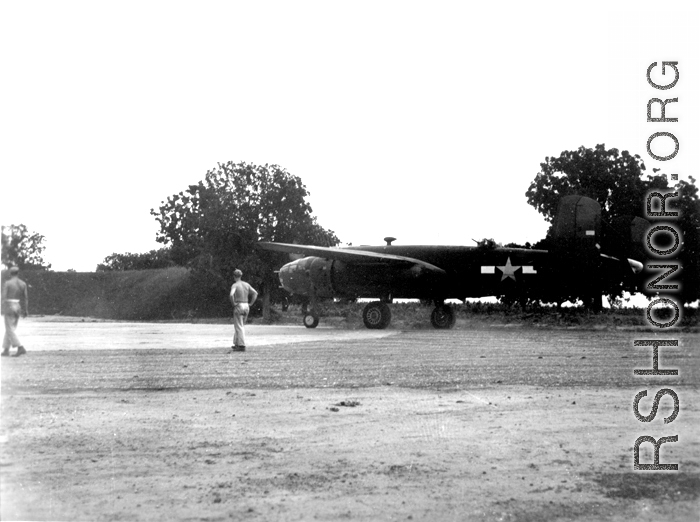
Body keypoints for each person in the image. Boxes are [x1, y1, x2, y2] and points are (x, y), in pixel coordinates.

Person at [2, 266, 29, 357]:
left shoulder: (8, 283)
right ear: (18, 273)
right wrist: (25, 310)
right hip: (18, 305)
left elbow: (3, 296)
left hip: (9, 305)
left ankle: (20, 347)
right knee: (10, 328)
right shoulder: (23, 283)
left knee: (9, 328)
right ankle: (6, 349)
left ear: (10, 273)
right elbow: (25, 298)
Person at [229, 269, 257, 352]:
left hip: (239, 305)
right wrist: (251, 303)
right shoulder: (246, 284)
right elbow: (255, 293)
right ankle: (236, 343)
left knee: (238, 326)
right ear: (241, 276)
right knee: (241, 325)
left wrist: (233, 303)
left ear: (234, 276)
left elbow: (231, 295)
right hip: (246, 305)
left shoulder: (235, 285)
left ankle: (241, 345)